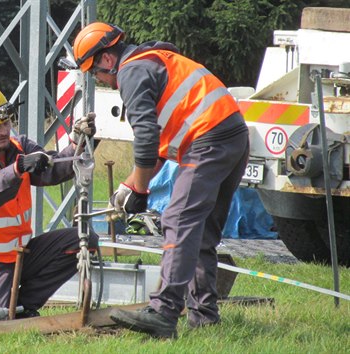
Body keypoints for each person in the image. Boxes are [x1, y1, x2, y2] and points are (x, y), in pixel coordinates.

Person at [73, 23, 249, 338]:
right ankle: (204, 316)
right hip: (231, 136)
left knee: (178, 219)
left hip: (208, 138)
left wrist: (140, 188)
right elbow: (159, 146)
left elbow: (146, 138)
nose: (97, 78)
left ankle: (164, 312)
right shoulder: (153, 61)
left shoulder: (131, 72)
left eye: (93, 71)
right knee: (203, 231)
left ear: (108, 60)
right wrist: (130, 185)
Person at [0, 85, 100, 325]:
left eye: (6, 123)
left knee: (83, 240)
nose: (4, 130)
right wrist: (17, 169)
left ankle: (23, 306)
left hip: (17, 255)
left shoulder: (21, 147)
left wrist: (77, 144)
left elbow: (52, 170)